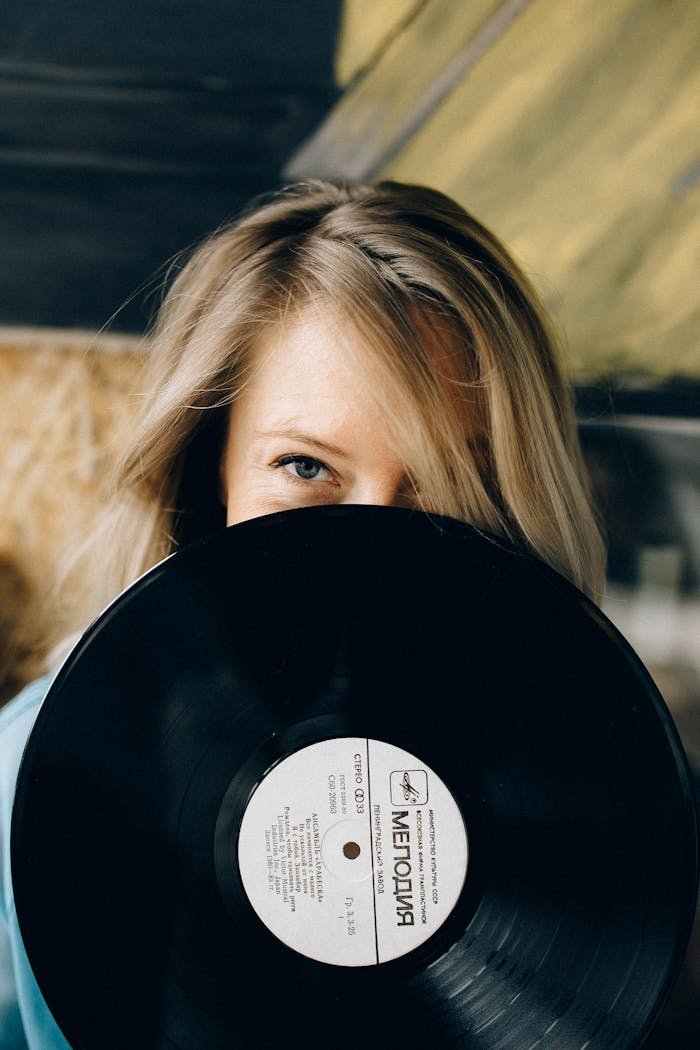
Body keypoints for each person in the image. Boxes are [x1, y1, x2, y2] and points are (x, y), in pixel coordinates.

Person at [0, 179, 605, 1047]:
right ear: (208, 470)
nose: (370, 552)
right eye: (306, 468)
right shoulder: (40, 768)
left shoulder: (596, 780)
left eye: (446, 485)